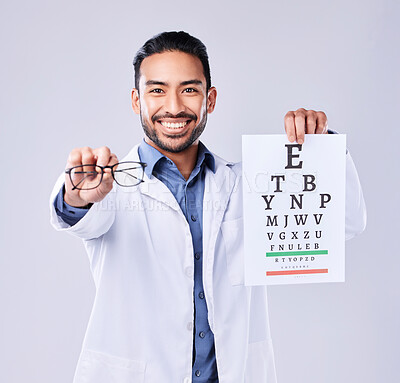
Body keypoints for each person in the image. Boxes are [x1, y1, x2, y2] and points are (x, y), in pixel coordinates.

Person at [49, 31, 366, 383]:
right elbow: (79, 214)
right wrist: (77, 195)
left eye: (189, 89)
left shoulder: (249, 186)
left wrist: (323, 152)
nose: (173, 106)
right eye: (157, 90)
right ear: (137, 101)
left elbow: (345, 224)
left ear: (209, 99)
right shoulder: (112, 188)